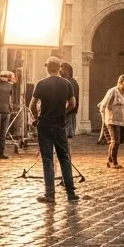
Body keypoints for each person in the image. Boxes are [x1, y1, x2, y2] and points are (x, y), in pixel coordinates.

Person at [30, 56, 80, 203]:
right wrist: (62, 112)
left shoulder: (41, 83)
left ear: (47, 68)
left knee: (47, 160)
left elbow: (32, 104)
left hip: (44, 125)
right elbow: (72, 103)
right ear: (59, 68)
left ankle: (50, 194)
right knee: (64, 157)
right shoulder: (66, 84)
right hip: (60, 125)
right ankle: (70, 193)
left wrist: (36, 117)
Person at [98, 75, 124, 169]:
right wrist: (104, 119)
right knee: (115, 141)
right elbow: (103, 106)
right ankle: (114, 162)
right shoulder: (112, 91)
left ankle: (109, 160)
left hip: (121, 121)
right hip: (112, 120)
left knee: (117, 141)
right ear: (120, 82)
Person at [62, 63, 81, 138]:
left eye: (62, 68)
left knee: (66, 136)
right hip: (66, 112)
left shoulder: (71, 82)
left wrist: (64, 111)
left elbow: (72, 101)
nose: (60, 70)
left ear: (68, 71)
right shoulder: (66, 82)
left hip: (68, 113)